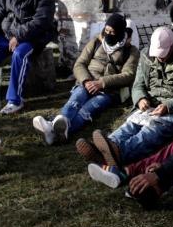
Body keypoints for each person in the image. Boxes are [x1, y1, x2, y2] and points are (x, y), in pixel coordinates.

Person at [76, 25, 173, 169]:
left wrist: (168, 106)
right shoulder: (146, 55)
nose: (159, 58)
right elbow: (137, 85)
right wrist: (141, 98)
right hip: (150, 104)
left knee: (151, 131)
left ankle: (120, 153)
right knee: (131, 125)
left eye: (163, 53)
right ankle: (105, 147)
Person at [32, 13, 137, 145]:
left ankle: (52, 131)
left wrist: (102, 83)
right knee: (74, 101)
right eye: (107, 30)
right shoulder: (96, 42)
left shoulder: (131, 51)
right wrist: (86, 81)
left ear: (120, 32)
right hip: (86, 83)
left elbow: (128, 75)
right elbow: (79, 64)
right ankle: (58, 129)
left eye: (112, 32)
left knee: (86, 111)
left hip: (108, 92)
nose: (108, 34)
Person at [0, 0, 57, 115]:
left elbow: (41, 21)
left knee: (19, 54)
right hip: (14, 34)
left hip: (36, 37)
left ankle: (15, 100)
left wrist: (18, 36)